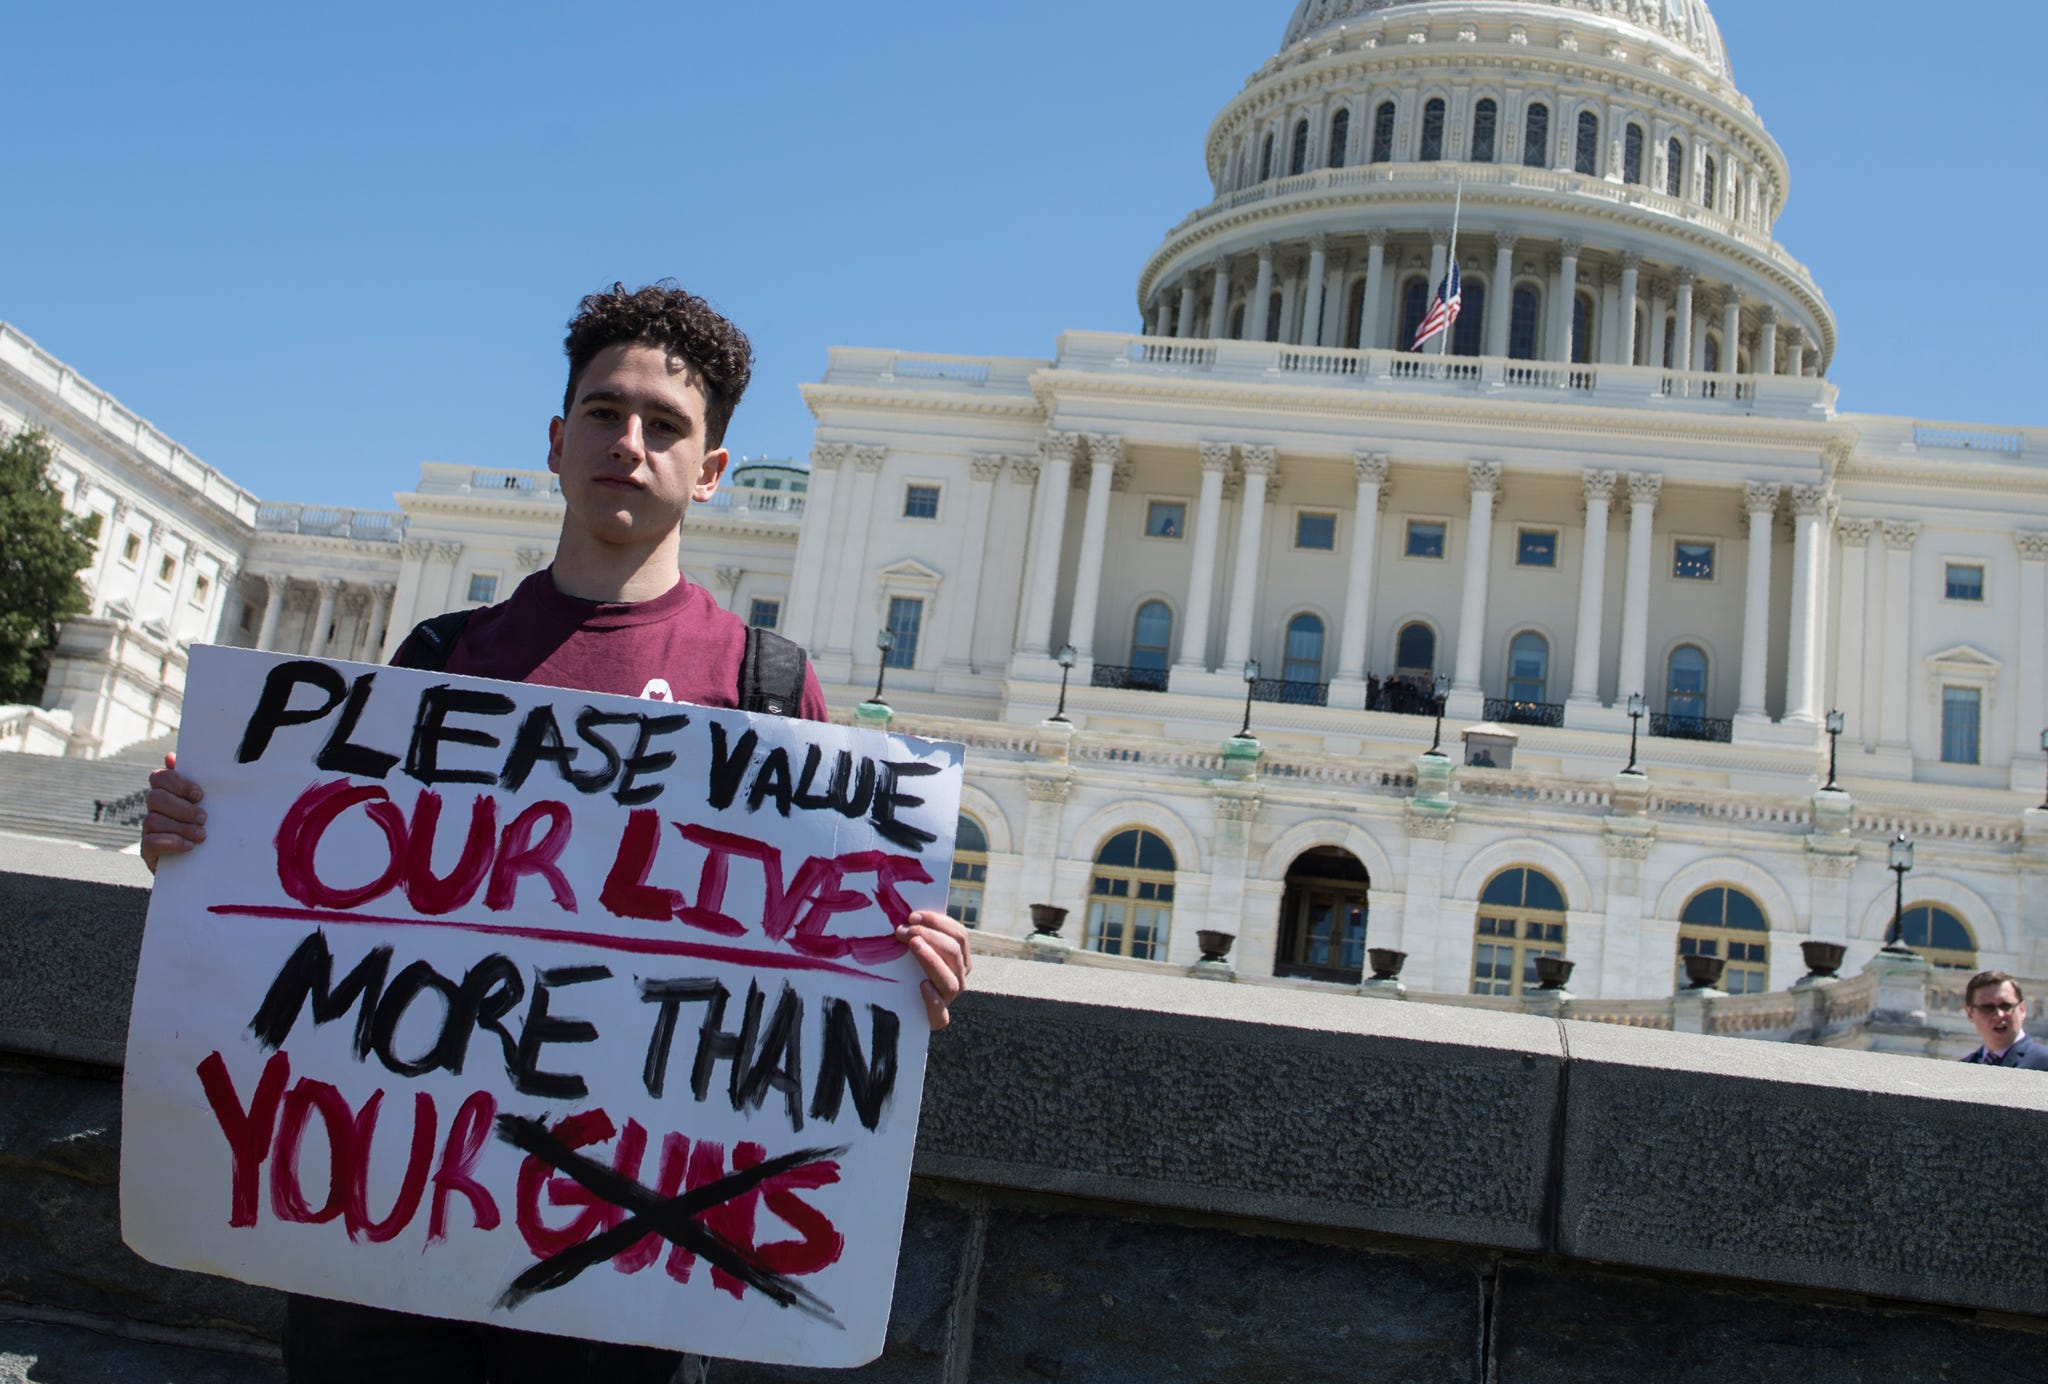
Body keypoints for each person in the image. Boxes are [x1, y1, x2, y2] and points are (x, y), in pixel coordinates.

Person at [140, 282, 974, 1383]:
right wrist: (203, 841)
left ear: (711, 471)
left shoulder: (767, 692)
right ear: (557, 438)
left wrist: (905, 966)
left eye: (665, 426)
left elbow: (810, 971)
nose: (629, 444)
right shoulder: (439, 660)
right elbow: (323, 899)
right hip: (388, 1245)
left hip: (622, 1279)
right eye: (604, 412)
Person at [1959, 971, 2048, 1070]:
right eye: (1987, 1008)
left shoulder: (2043, 1063)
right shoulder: (1962, 1069)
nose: (1999, 1015)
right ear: (1970, 1013)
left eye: (2006, 1006)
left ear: (2022, 1009)